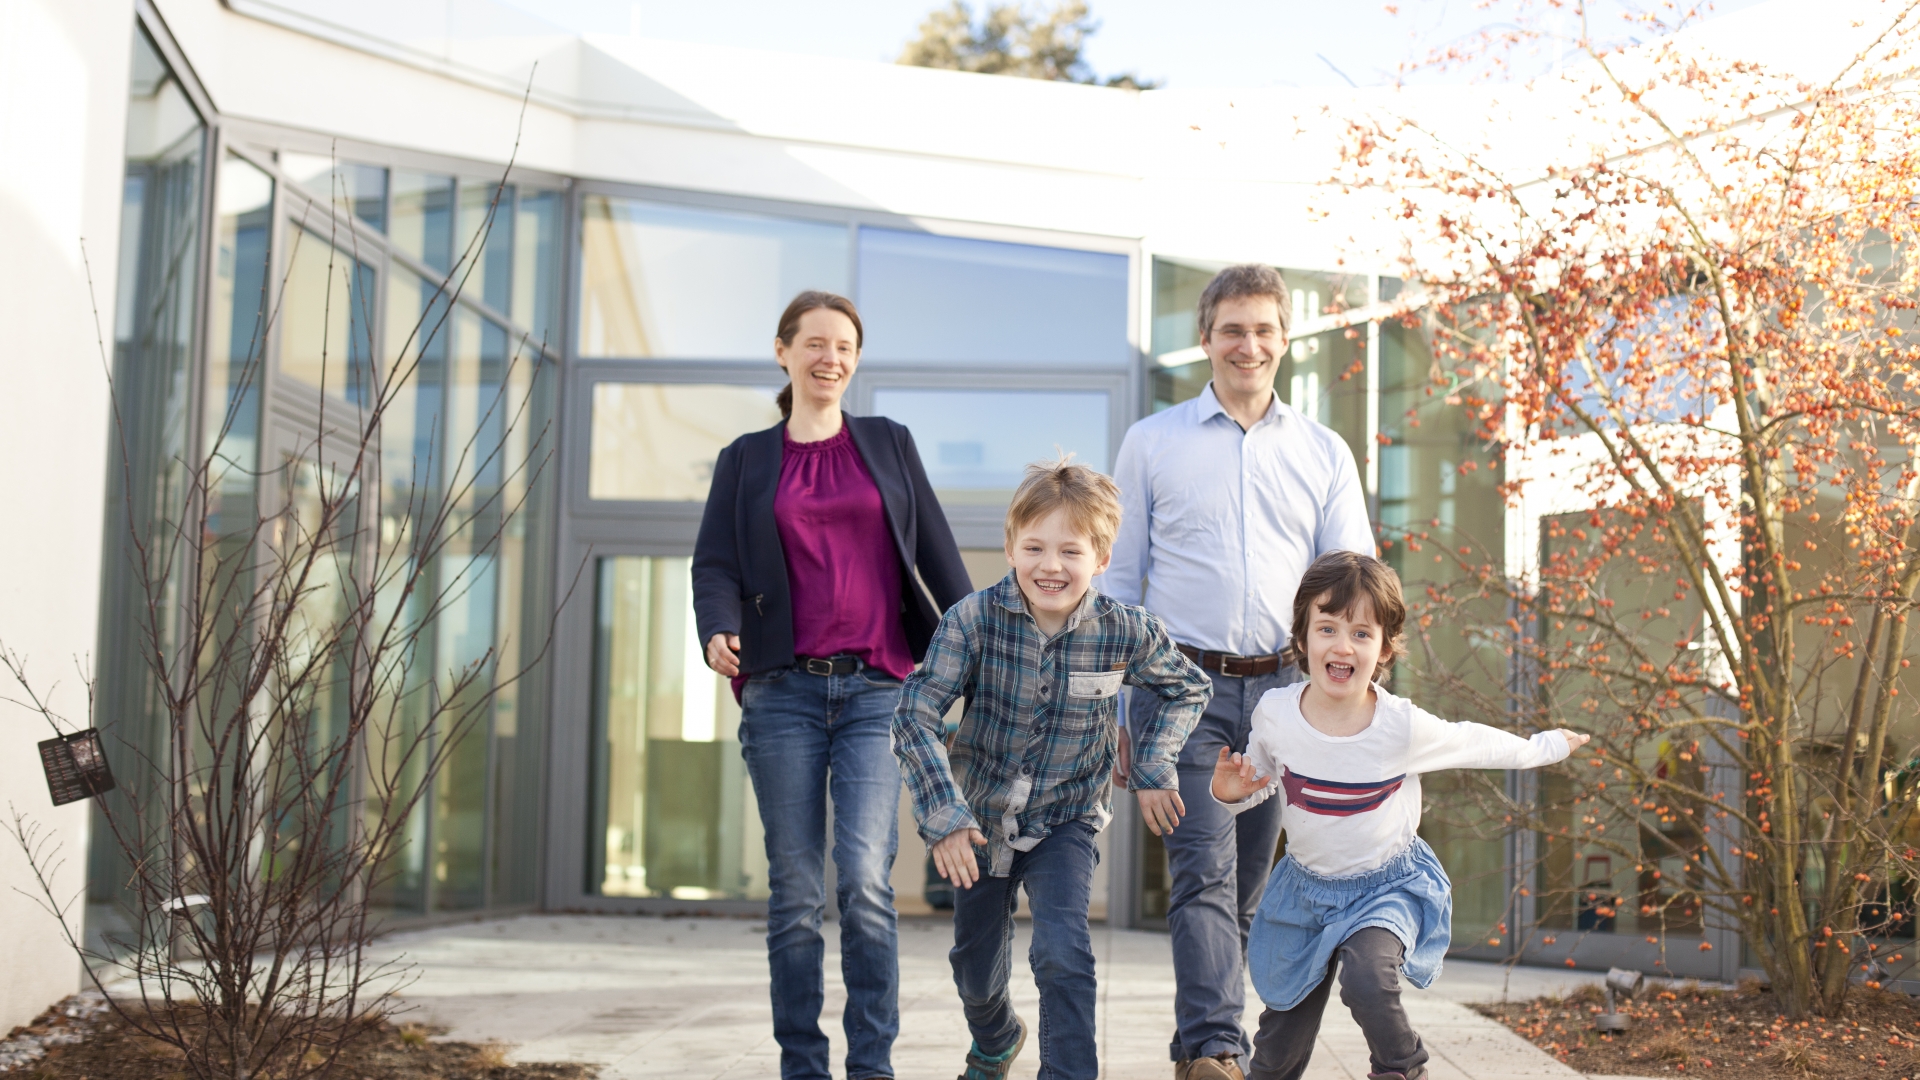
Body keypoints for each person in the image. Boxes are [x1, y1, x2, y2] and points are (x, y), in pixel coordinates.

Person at [1099, 264, 1375, 1080]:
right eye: (1231, 329)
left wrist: (1354, 698)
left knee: (1248, 885)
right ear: (1205, 339)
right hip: (1181, 687)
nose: (1246, 345)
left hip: (1287, 694)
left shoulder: (1323, 451)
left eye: (1262, 329)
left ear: (1285, 339)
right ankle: (1218, 1047)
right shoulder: (1152, 443)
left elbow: (1353, 581)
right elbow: (1120, 582)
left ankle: (1197, 1043)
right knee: (1203, 872)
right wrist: (1114, 707)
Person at [692, 290, 972, 1080]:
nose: (831, 358)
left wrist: (981, 649)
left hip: (879, 690)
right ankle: (803, 1065)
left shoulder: (888, 443)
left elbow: (939, 554)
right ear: (783, 352)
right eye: (815, 343)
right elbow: (714, 562)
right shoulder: (747, 459)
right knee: (794, 891)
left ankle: (871, 1065)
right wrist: (717, 625)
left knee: (864, 880)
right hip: (781, 691)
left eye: (844, 346)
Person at [1213, 551, 1589, 1080]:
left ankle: (1403, 1069)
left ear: (1384, 648)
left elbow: (1472, 742)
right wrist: (1230, 792)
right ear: (1302, 638)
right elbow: (1257, 783)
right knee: (1280, 1036)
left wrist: (1544, 747)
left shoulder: (1400, 727)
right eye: (1327, 628)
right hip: (1306, 892)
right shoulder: (1276, 714)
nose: (1343, 645)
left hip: (1384, 887)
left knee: (1367, 978)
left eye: (1361, 633)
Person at [891, 458, 1211, 1080]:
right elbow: (914, 714)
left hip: (1068, 818)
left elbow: (1188, 688)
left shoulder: (1125, 631)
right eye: (1035, 547)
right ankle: (996, 1038)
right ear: (1011, 547)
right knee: (975, 969)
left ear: (1102, 558)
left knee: (1064, 953)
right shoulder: (972, 621)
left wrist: (1153, 765)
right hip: (977, 820)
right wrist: (945, 815)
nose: (1051, 565)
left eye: (1071, 551)